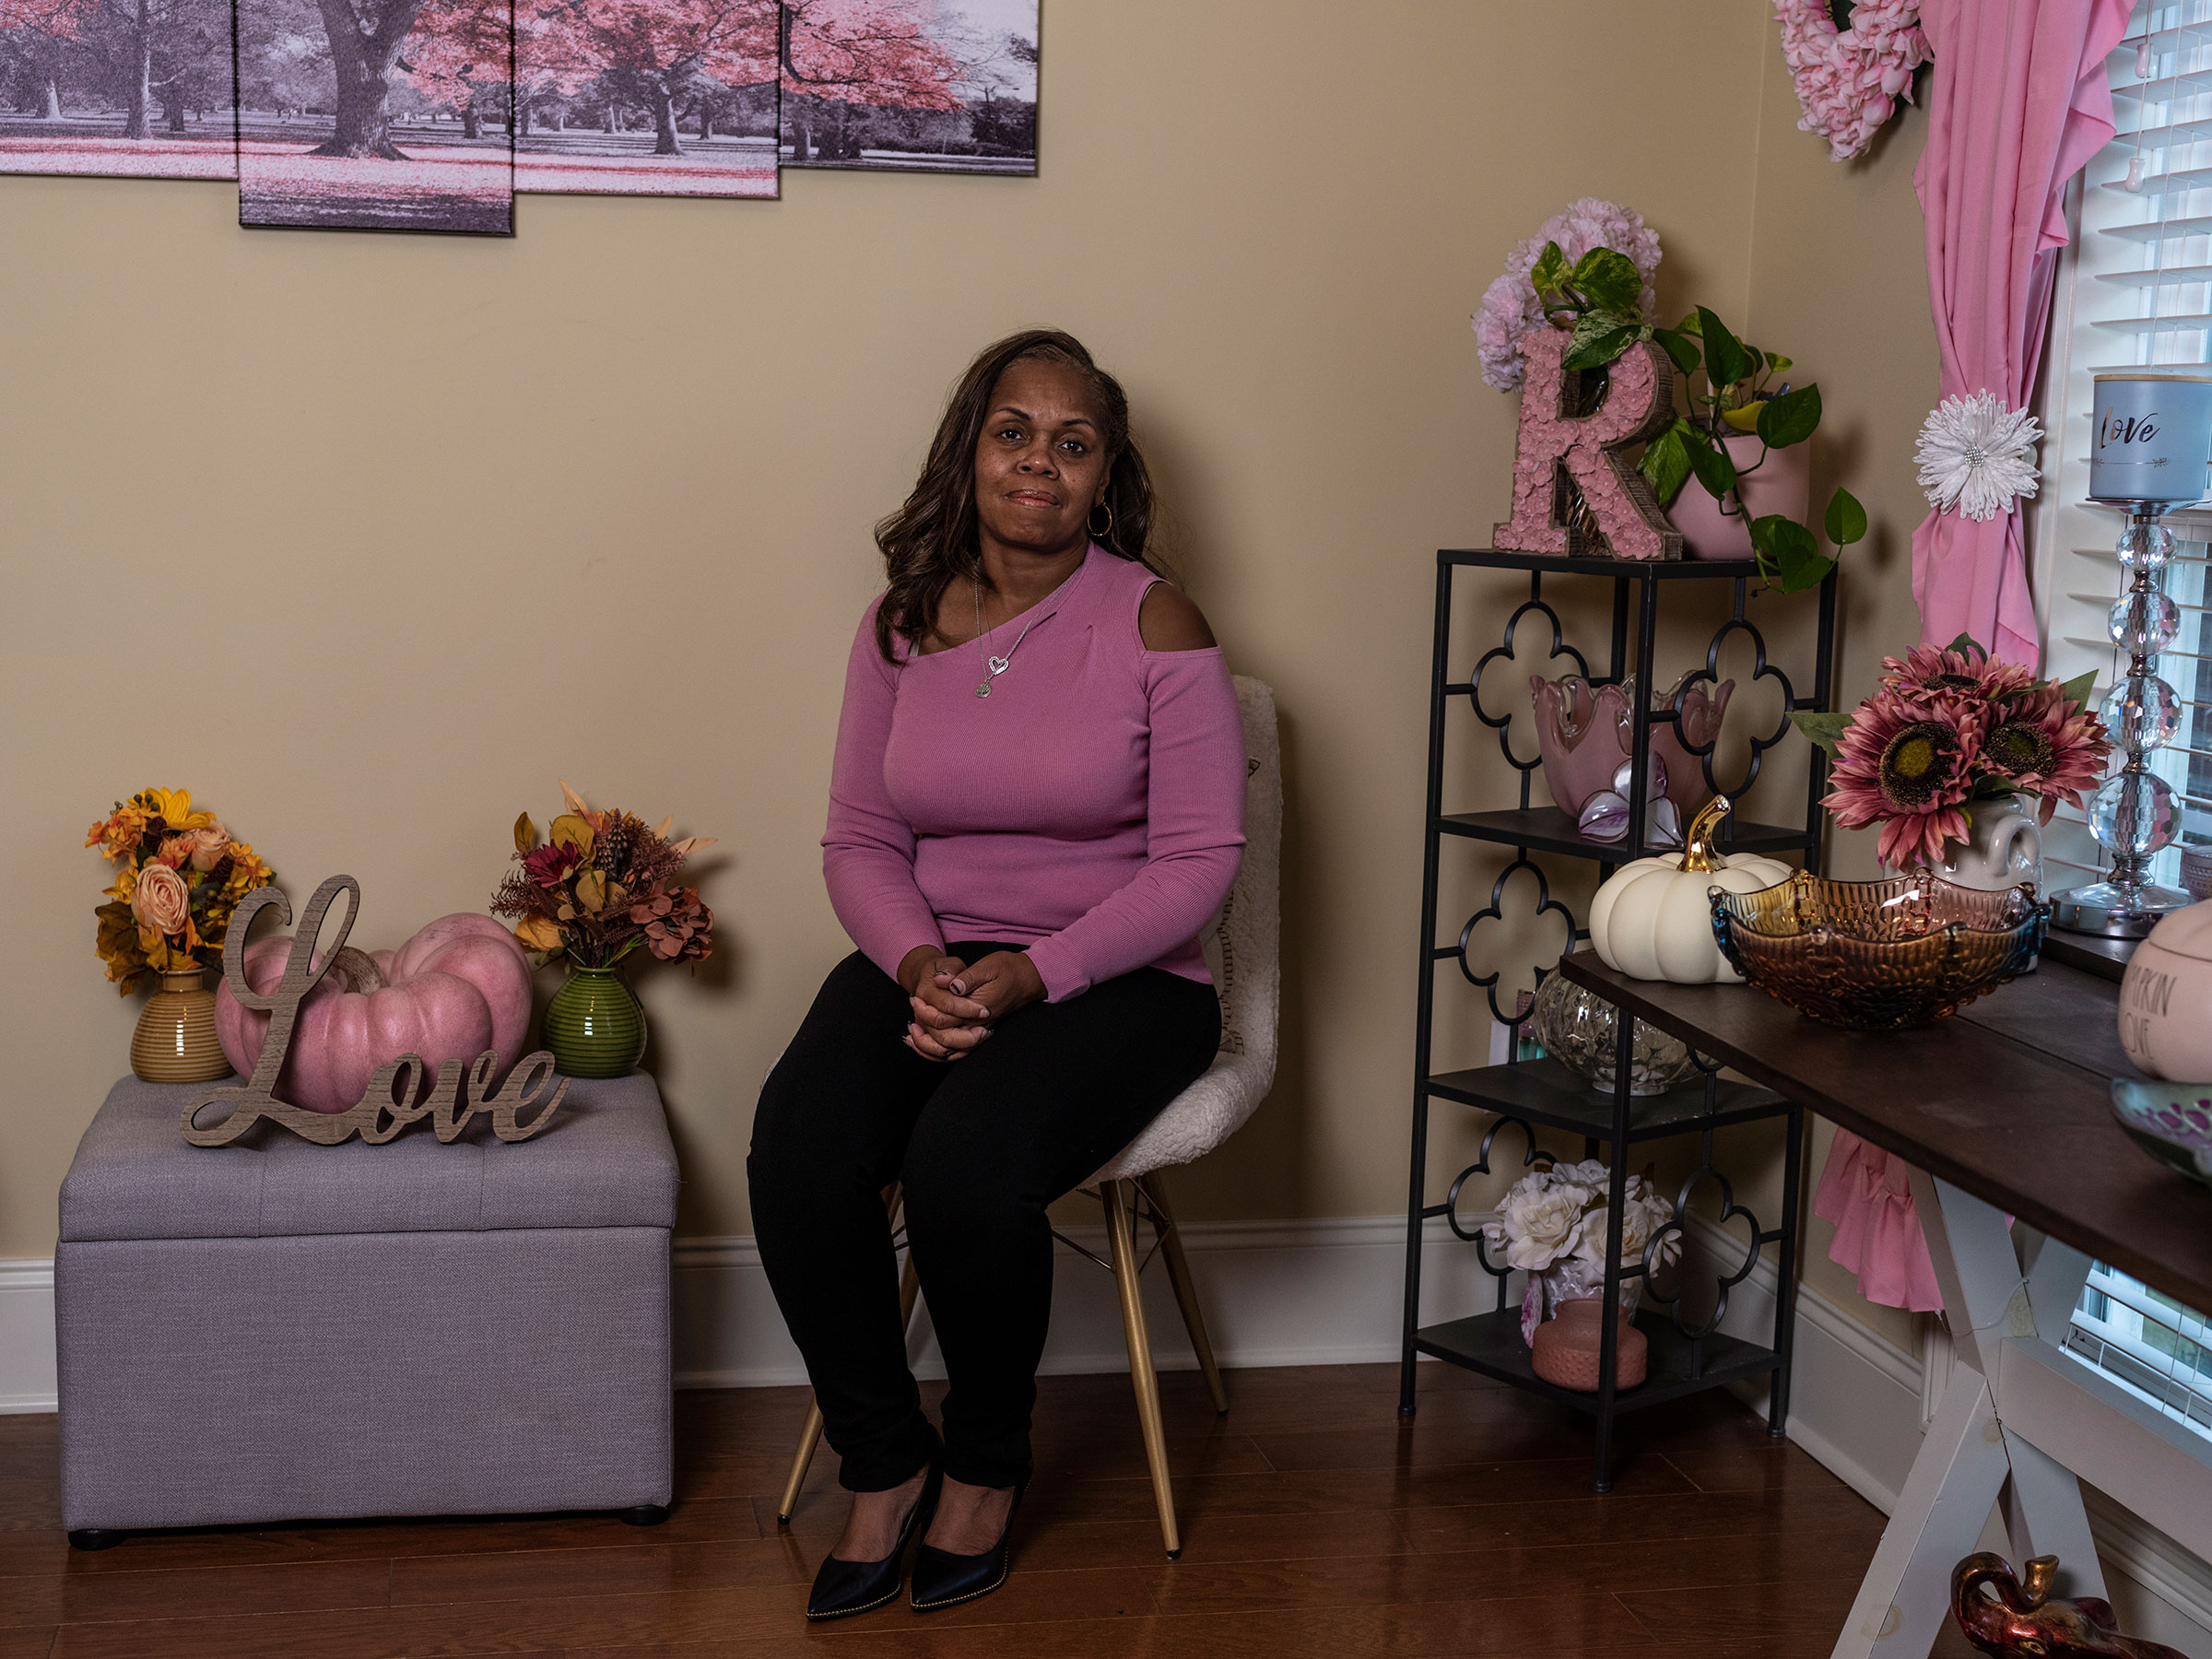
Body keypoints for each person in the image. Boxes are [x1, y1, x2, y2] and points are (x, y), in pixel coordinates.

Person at [747, 328, 1246, 1619]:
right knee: (800, 1143)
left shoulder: (1156, 621)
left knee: (966, 1159)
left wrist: (1037, 972)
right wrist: (920, 962)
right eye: (1014, 432)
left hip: (1123, 978)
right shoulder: (899, 626)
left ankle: (985, 1462)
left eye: (1073, 443)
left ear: (1107, 475)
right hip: (932, 952)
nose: (1039, 462)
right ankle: (884, 1459)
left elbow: (1199, 862)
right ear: (968, 450)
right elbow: (860, 839)